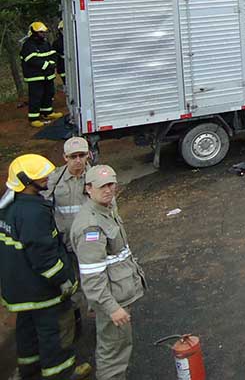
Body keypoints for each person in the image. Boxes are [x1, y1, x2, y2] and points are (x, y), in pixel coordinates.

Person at [1, 154, 89, 380]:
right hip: (41, 290)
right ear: (26, 181)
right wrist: (63, 279)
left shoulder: (8, 206)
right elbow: (44, 255)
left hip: (18, 289)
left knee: (26, 327)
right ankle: (61, 372)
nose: (48, 178)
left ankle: (28, 368)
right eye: (42, 176)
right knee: (54, 331)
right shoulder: (34, 213)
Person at [72, 165, 144, 380]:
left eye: (111, 184)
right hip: (111, 299)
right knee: (113, 353)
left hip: (118, 292)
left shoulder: (107, 206)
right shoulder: (90, 227)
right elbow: (92, 277)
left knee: (120, 345)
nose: (109, 190)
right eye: (102, 186)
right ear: (88, 188)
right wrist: (111, 308)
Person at [44, 137, 93, 325]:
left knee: (94, 283)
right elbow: (44, 209)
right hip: (65, 246)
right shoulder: (54, 180)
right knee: (70, 286)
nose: (78, 160)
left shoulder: (95, 178)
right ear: (65, 157)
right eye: (73, 156)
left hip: (89, 244)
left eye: (82, 155)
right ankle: (75, 319)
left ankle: (98, 317)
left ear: (88, 154)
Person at [20, 21, 62, 127]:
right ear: (34, 33)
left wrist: (53, 63)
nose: (43, 34)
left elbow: (53, 54)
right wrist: (47, 65)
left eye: (44, 32)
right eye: (40, 32)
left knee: (49, 94)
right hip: (35, 77)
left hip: (48, 76)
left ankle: (47, 113)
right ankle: (34, 118)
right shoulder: (28, 45)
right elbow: (32, 60)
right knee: (36, 97)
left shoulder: (45, 43)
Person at [54, 20, 66, 85]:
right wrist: (60, 55)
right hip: (62, 68)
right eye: (62, 29)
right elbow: (53, 54)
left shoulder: (76, 40)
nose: (63, 31)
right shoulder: (56, 43)